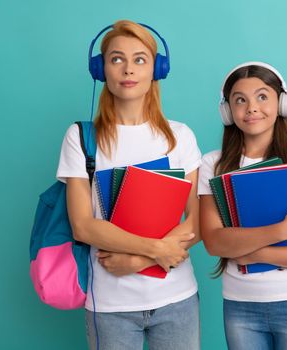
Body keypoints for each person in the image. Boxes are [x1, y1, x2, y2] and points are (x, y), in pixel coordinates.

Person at [57, 20, 201, 350]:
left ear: (157, 69)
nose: (128, 69)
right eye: (116, 58)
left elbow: (196, 222)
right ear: (101, 68)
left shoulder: (179, 136)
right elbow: (82, 226)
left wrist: (138, 261)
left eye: (139, 59)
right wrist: (154, 250)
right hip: (110, 306)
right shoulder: (81, 138)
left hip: (177, 299)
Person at [198, 61, 287, 350]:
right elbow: (215, 242)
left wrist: (256, 253)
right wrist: (284, 229)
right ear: (227, 111)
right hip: (240, 307)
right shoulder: (212, 165)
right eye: (240, 100)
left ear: (282, 104)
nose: (252, 108)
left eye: (262, 96)